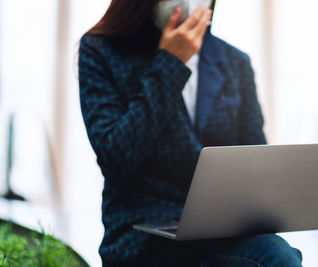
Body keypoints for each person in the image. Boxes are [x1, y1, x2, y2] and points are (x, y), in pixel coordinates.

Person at [78, 0, 303, 266]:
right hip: (142, 234)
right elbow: (116, 157)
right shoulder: (102, 51)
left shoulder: (234, 62)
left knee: (277, 254)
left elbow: (255, 166)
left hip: (219, 230)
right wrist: (171, 63)